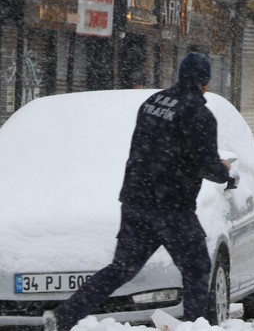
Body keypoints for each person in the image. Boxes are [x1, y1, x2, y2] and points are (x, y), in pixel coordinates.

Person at [44, 52, 238, 331]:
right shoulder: (199, 114)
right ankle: (196, 326)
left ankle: (63, 316)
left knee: (120, 269)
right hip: (172, 207)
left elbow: (154, 147)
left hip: (136, 200)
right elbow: (205, 163)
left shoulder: (153, 102)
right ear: (204, 81)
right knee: (196, 268)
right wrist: (223, 171)